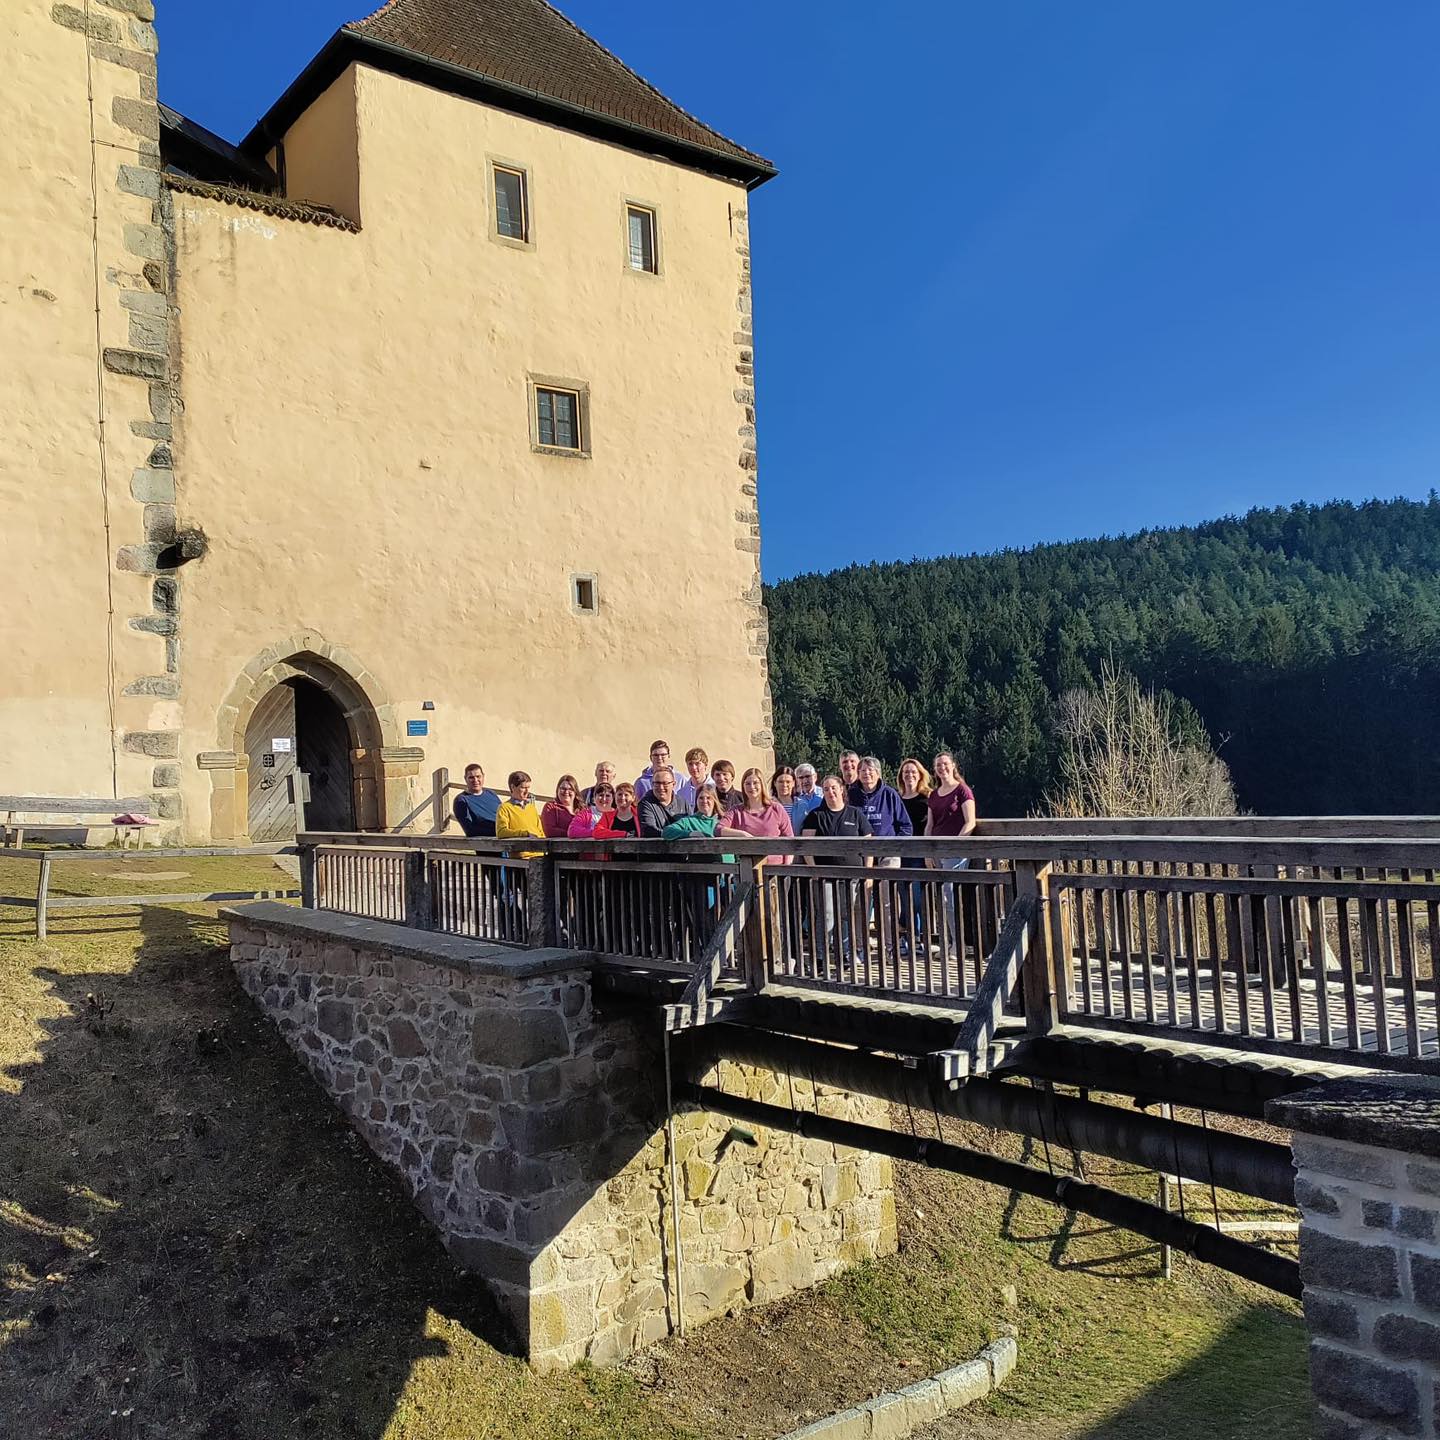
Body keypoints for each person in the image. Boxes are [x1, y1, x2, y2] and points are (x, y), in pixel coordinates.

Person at [800, 774, 874, 961]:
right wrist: (813, 869)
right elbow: (806, 845)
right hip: (824, 875)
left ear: (842, 789)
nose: (830, 792)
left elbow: (868, 845)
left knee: (846, 915)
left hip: (852, 875)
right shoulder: (816, 815)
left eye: (833, 787)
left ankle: (845, 953)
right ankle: (821, 955)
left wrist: (868, 873)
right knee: (826, 915)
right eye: (826, 789)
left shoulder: (855, 814)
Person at [927, 752, 978, 958]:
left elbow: (970, 822)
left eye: (945, 764)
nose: (942, 768)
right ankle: (949, 942)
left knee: (950, 897)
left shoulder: (962, 790)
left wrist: (956, 845)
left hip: (956, 852)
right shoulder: (933, 795)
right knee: (942, 897)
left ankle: (959, 944)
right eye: (938, 765)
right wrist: (927, 851)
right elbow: (930, 825)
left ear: (953, 765)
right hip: (937, 850)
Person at [896, 758, 933, 952]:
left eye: (913, 772)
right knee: (904, 898)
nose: (909, 775)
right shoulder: (897, 798)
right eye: (906, 772)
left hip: (919, 853)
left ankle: (920, 937)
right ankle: (909, 938)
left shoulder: (928, 797)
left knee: (917, 899)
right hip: (900, 853)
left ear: (920, 775)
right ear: (901, 776)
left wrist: (929, 851)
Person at [727, 767, 794, 865]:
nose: (752, 787)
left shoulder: (776, 808)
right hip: (748, 867)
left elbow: (789, 838)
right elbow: (718, 829)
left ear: (762, 784)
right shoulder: (736, 811)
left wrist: (786, 867)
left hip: (775, 868)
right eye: (747, 783)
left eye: (755, 783)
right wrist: (742, 834)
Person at [638, 765, 692, 837]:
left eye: (665, 783)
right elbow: (649, 830)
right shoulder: (645, 804)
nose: (661, 787)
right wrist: (680, 834)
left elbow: (691, 826)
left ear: (673, 784)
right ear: (652, 784)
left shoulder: (683, 803)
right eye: (657, 783)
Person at [496, 771, 545, 848]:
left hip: (539, 851)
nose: (527, 791)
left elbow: (541, 831)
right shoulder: (504, 808)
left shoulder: (531, 807)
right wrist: (525, 834)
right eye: (523, 788)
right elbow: (501, 832)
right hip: (520, 853)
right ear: (513, 787)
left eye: (528, 788)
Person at [452, 763, 500, 838]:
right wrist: (499, 831)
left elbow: (503, 816)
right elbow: (470, 830)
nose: (475, 780)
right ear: (465, 779)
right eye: (471, 777)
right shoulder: (461, 800)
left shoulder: (491, 794)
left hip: (505, 837)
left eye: (478, 776)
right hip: (486, 842)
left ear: (483, 776)